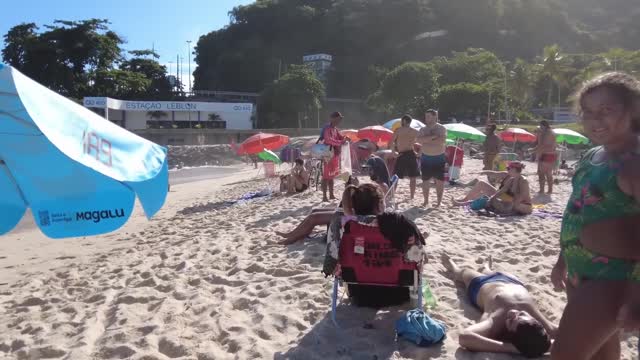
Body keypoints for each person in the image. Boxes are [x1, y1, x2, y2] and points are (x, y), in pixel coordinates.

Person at [550, 72, 640, 360]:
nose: (596, 120)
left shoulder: (634, 162)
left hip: (612, 277)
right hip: (580, 271)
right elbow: (575, 212)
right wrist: (562, 260)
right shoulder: (593, 156)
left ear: (633, 110)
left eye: (607, 110)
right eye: (588, 112)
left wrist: (637, 296)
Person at [322, 184, 426, 307]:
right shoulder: (400, 226)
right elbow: (418, 260)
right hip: (398, 293)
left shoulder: (344, 227)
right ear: (380, 204)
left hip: (359, 292)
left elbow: (332, 263)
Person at [442, 254, 554, 357]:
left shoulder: (496, 322)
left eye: (511, 320)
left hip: (481, 284)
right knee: (488, 271)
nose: (513, 312)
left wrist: (511, 348)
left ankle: (452, 265)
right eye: (521, 314)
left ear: (509, 334)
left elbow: (464, 337)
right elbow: (566, 339)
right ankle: (486, 267)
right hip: (512, 281)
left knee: (461, 273)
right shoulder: (537, 326)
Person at [275, 176, 359, 245]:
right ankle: (293, 233)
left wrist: (352, 189)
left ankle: (292, 239)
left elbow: (350, 208)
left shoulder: (358, 189)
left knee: (314, 217)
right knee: (314, 211)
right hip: (344, 210)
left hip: (348, 214)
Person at [452, 162, 532, 215]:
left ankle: (463, 202)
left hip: (523, 205)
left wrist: (509, 205)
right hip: (510, 199)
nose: (507, 170)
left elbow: (523, 196)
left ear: (514, 169)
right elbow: (502, 190)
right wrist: (493, 198)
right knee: (488, 199)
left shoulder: (523, 181)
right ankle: (463, 202)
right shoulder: (511, 179)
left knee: (510, 205)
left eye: (508, 168)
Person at [417, 109, 447, 207]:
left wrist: (426, 140)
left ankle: (439, 202)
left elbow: (441, 141)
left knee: (439, 181)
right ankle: (426, 201)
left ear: (435, 117)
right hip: (426, 157)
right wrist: (433, 137)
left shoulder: (441, 128)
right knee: (425, 180)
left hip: (439, 157)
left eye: (429, 116)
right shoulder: (423, 129)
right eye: (426, 116)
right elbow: (419, 140)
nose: (426, 118)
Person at [319, 112, 347, 202]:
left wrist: (345, 139)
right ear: (332, 119)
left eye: (340, 119)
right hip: (328, 154)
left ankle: (331, 194)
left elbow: (340, 137)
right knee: (326, 176)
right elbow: (328, 140)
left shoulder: (335, 129)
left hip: (334, 154)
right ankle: (324, 196)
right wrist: (340, 142)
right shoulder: (328, 129)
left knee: (331, 175)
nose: (340, 121)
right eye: (338, 119)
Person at [391, 115, 420, 199]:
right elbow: (422, 143)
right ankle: (411, 196)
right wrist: (419, 153)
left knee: (395, 176)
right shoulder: (414, 131)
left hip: (402, 154)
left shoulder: (398, 130)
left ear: (403, 121)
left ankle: (392, 195)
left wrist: (393, 152)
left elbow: (391, 142)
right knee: (413, 177)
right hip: (411, 154)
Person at [532, 120, 557, 194]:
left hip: (547, 154)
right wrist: (534, 149)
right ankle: (546, 190)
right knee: (545, 173)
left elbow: (544, 145)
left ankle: (547, 190)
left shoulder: (548, 133)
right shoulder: (547, 132)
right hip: (547, 154)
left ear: (544, 126)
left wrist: (534, 150)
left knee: (544, 173)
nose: (540, 128)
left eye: (541, 126)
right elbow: (542, 145)